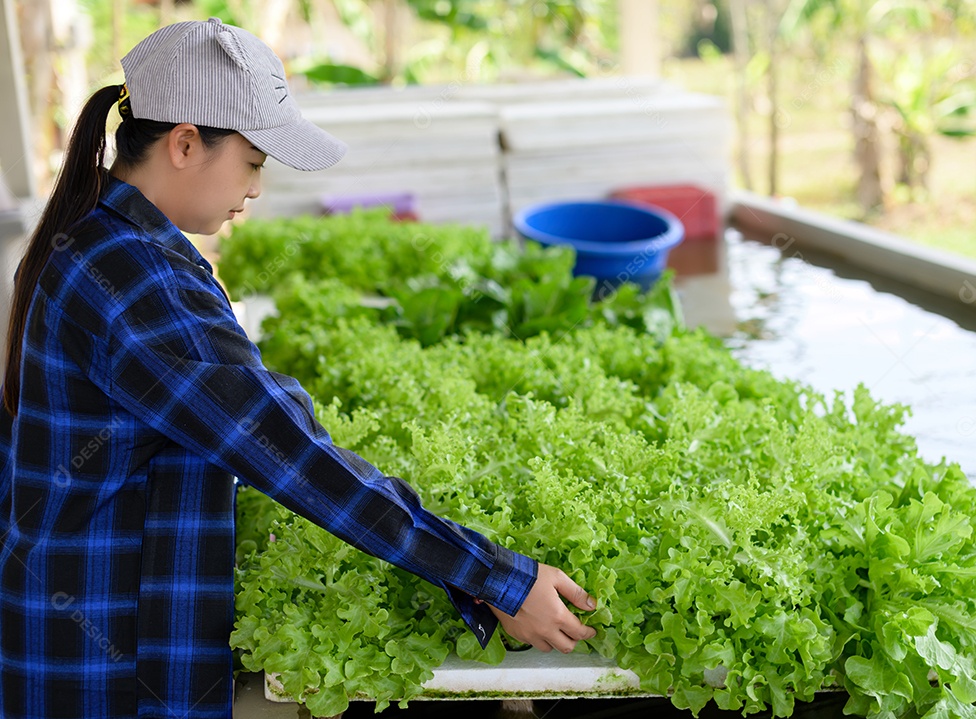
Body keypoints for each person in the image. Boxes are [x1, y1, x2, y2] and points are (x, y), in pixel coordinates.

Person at [0, 17, 596, 718]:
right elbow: (288, 451)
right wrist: (498, 578)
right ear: (185, 143)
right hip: (101, 664)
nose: (256, 188)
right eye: (254, 162)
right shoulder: (136, 281)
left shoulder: (105, 240)